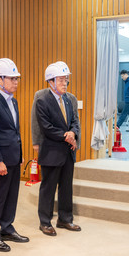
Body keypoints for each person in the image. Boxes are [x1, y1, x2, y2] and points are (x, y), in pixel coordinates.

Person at [0, 58, 29, 252]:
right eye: (12, 78)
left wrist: (20, 154)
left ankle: (7, 228)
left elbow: (15, 131)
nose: (16, 82)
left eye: (17, 79)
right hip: (0, 159)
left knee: (11, 195)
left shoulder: (13, 101)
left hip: (13, 157)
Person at [34, 61, 81, 236]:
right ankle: (45, 222)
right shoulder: (42, 100)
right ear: (50, 81)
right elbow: (46, 127)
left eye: (66, 79)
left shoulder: (68, 99)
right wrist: (66, 135)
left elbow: (75, 121)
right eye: (61, 80)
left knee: (66, 187)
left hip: (67, 151)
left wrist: (73, 133)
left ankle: (65, 219)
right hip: (51, 152)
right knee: (48, 188)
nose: (64, 83)